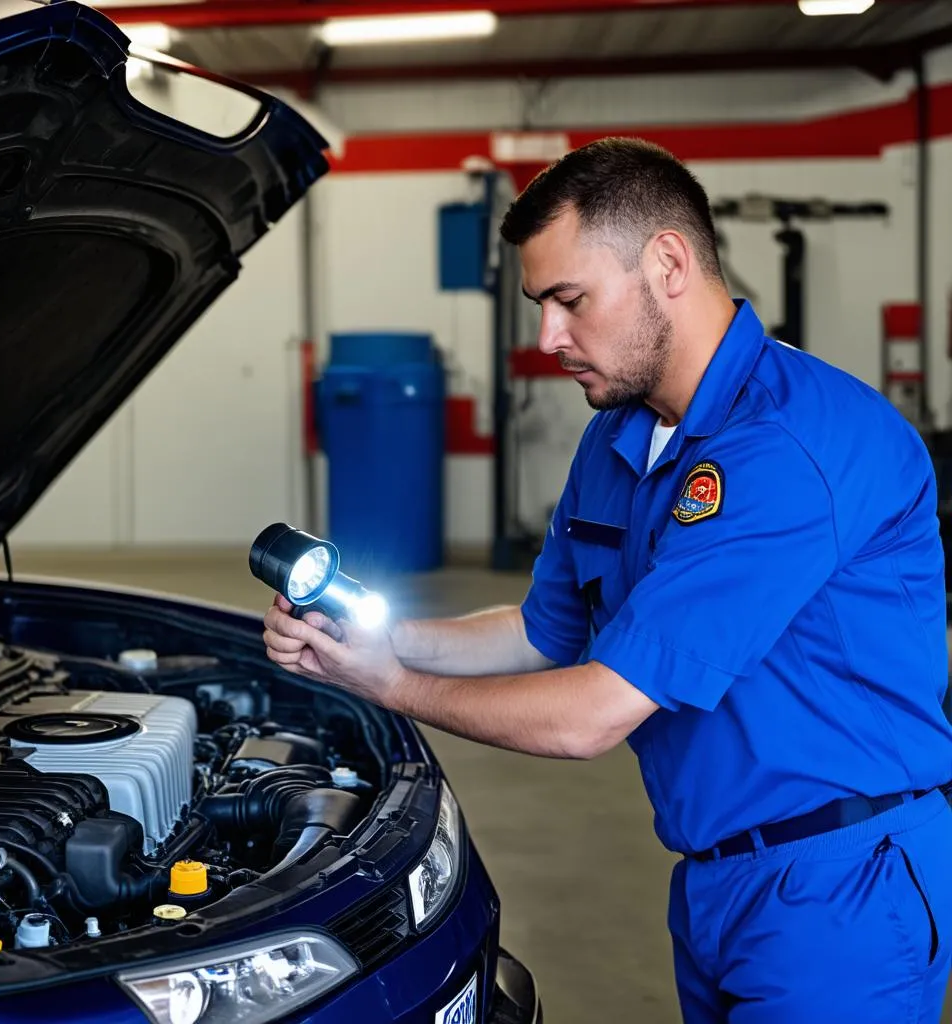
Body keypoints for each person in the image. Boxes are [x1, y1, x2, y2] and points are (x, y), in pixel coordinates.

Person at [263, 137, 952, 1023]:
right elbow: (542, 630)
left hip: (842, 886)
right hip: (713, 878)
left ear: (667, 262)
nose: (549, 337)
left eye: (569, 301)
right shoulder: (619, 439)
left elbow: (593, 713)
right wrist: (370, 636)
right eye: (540, 306)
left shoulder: (792, 447)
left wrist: (393, 685)